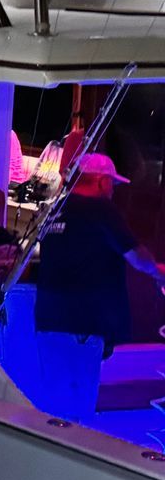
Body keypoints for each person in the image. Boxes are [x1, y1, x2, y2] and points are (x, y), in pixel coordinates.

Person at [34, 153, 165, 420]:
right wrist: (159, 272)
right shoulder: (101, 210)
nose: (113, 192)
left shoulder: (54, 209)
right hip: (82, 326)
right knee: (78, 407)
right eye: (112, 186)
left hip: (48, 322)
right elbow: (138, 257)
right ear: (103, 182)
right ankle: (72, 458)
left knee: (52, 405)